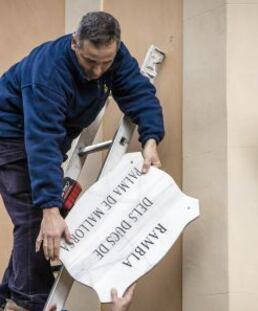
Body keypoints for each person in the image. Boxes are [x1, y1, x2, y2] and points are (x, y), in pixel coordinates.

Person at [0, 11, 164, 311]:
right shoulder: (48, 73)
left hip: (46, 140)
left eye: (106, 62)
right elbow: (42, 141)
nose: (99, 71)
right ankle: (27, 302)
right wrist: (50, 209)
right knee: (35, 217)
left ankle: (11, 294)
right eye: (91, 62)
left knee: (44, 217)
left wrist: (151, 139)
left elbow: (139, 93)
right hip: (9, 136)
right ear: (75, 43)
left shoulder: (114, 58)